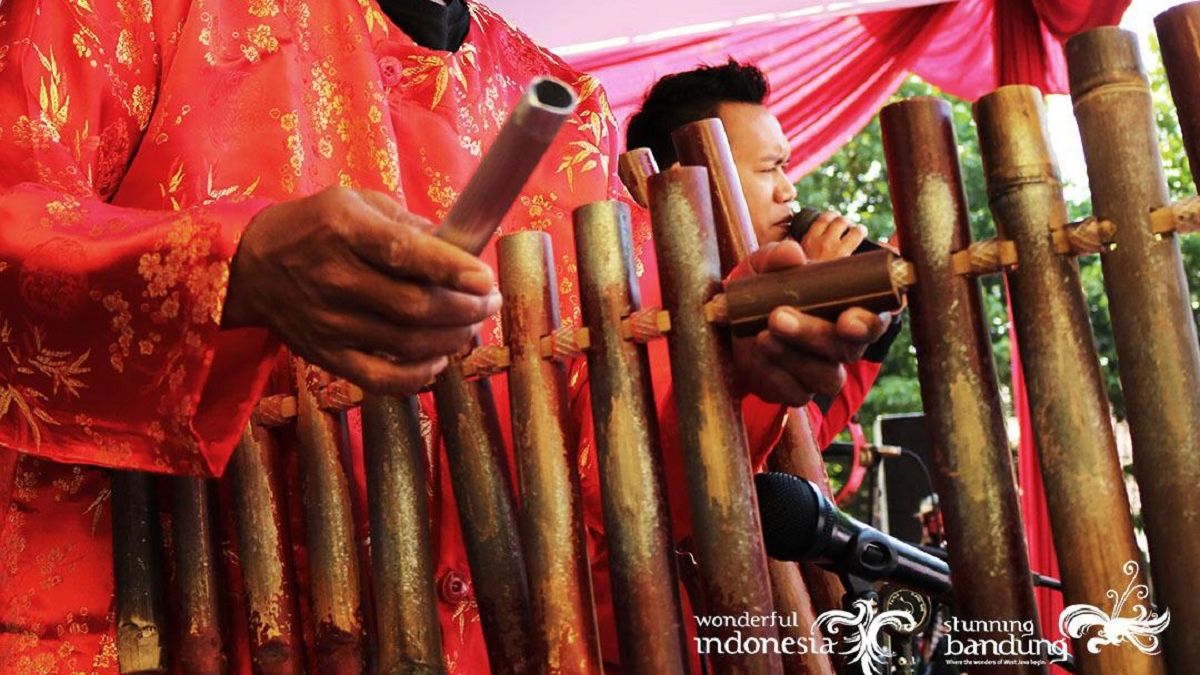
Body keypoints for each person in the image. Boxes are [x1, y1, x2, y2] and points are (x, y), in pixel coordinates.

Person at [0, 3, 888, 673]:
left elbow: (584, 467)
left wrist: (724, 369)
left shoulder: (564, 108)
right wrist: (231, 269)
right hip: (168, 630)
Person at [626, 59, 901, 447]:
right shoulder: (632, 298)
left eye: (784, 168)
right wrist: (807, 293)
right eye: (770, 168)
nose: (788, 190)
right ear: (685, 181)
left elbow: (807, 452)